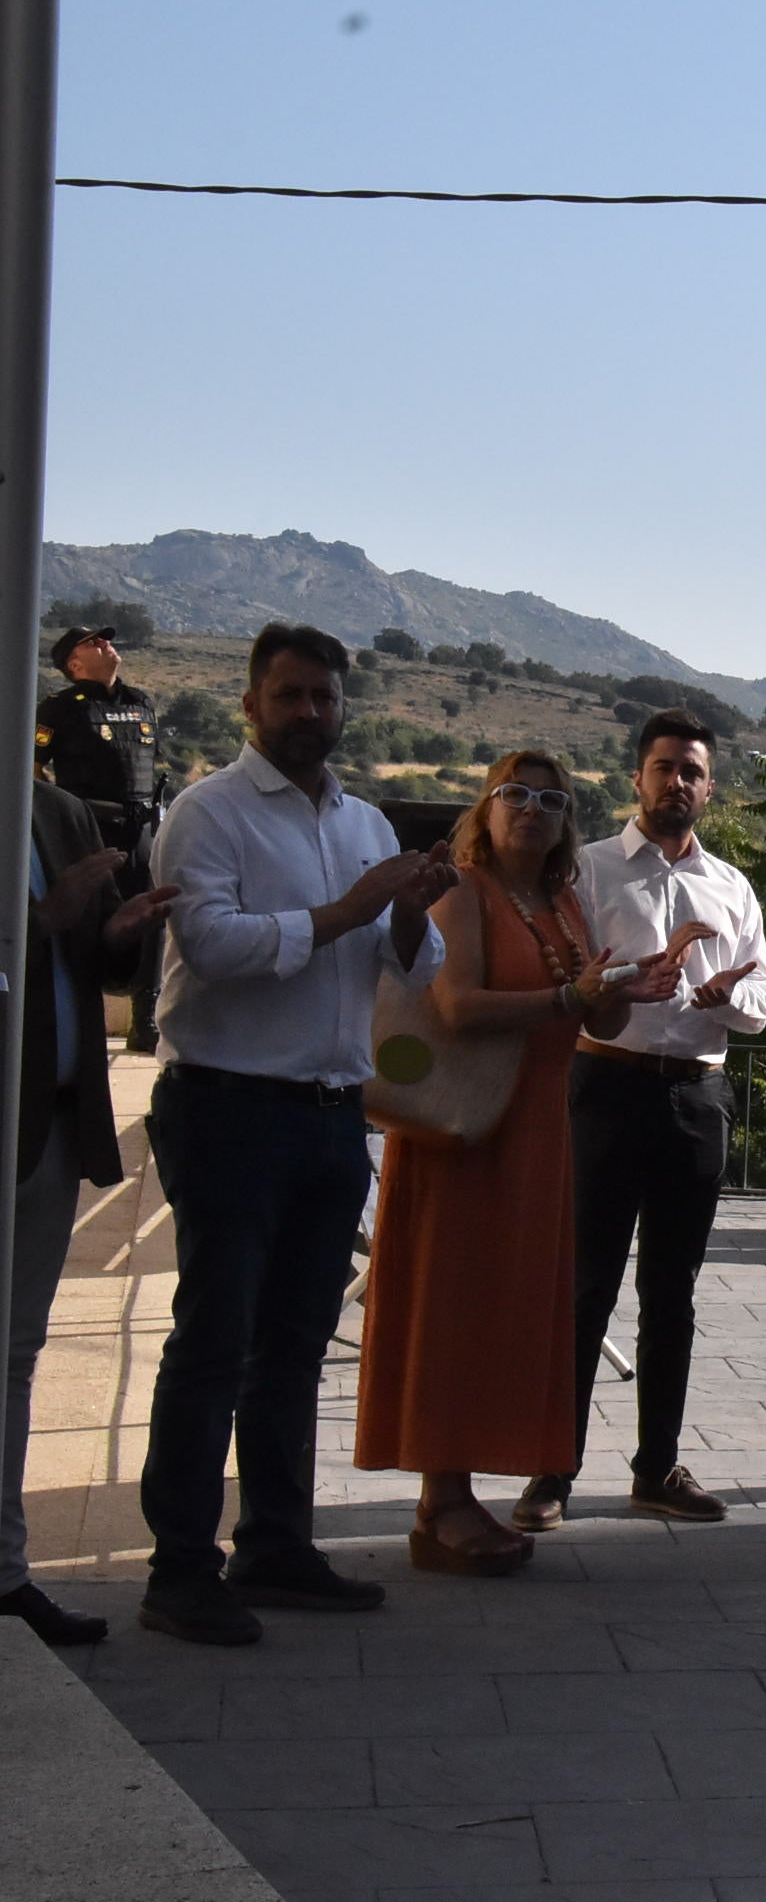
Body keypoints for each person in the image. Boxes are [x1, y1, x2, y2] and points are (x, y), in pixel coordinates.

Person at [137, 623, 458, 1647]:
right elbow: (214, 944)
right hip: (230, 1108)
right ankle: (180, 1565)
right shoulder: (210, 811)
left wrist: (407, 913)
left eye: (325, 696)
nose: (310, 712)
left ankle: (276, 1542)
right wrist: (349, 906)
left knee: (293, 1348)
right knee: (214, 1342)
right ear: (249, 703)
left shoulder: (363, 819)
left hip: (330, 1115)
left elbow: (414, 964)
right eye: (291, 695)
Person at [355, 754, 676, 1573]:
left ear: (567, 819)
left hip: (536, 1127)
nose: (532, 810)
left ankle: (458, 1498)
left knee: (504, 1308)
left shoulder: (562, 901)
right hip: (466, 1134)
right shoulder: (464, 891)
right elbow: (456, 1005)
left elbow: (581, 1006)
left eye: (552, 799)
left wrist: (623, 992)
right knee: (453, 1309)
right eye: (515, 795)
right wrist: (571, 1000)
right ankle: (441, 1504)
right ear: (485, 809)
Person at [516, 708, 766, 1534]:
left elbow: (764, 1002)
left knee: (673, 1292)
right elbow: (569, 978)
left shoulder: (731, 887)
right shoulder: (588, 873)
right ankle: (551, 1472)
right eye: (664, 768)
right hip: (607, 1085)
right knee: (586, 1282)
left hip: (697, 1096)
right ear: (638, 777)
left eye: (692, 771)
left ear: (709, 786)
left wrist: (729, 994)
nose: (677, 783)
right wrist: (636, 978)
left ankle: (657, 1468)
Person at [2, 782, 173, 1644]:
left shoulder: (59, 810)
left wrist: (115, 934)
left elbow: (94, 959)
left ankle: (5, 1573)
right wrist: (42, 914)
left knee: (17, 1355)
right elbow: (37, 930)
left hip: (53, 1121)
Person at [36, 623, 165, 1049]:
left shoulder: (141, 702)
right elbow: (32, 768)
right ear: (73, 663)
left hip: (141, 826)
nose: (106, 644)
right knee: (88, 921)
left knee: (149, 916)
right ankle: (78, 1018)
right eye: (93, 642)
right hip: (89, 828)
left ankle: (145, 1020)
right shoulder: (59, 708)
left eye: (106, 638)